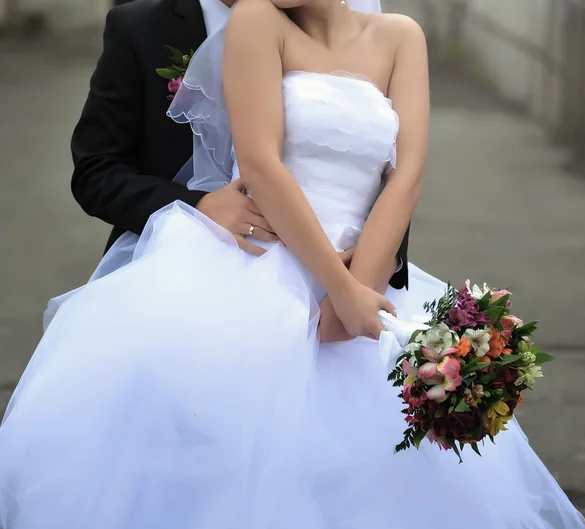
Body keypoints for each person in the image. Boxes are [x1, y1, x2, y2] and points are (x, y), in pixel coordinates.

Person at [0, 1, 585, 529]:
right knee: (216, 467)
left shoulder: (398, 36)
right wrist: (203, 207)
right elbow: (218, 162)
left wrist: (357, 289)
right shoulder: (209, 24)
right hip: (241, 272)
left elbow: (404, 173)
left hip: (358, 275)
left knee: (369, 488)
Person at [70, 0, 411, 343]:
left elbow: (372, 161)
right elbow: (96, 171)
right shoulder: (140, 28)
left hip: (353, 273)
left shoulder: (323, 22)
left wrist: (369, 273)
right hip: (204, 278)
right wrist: (196, 205)